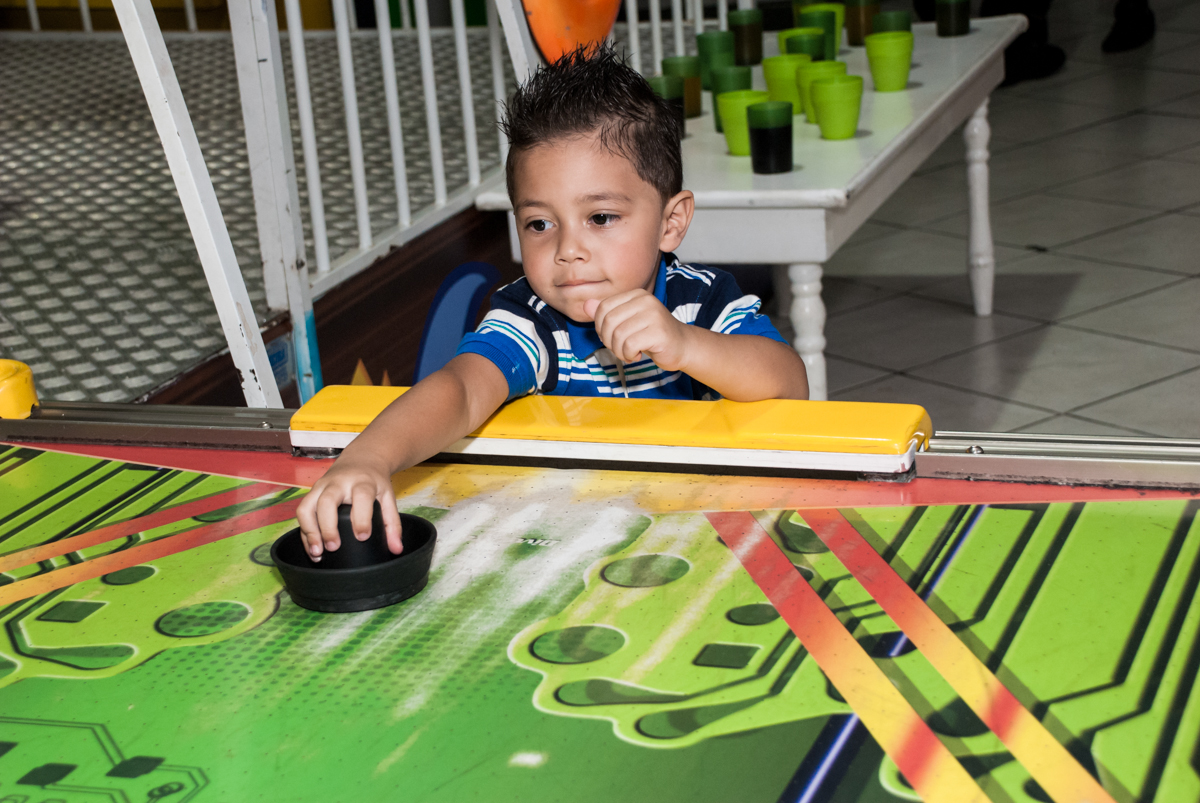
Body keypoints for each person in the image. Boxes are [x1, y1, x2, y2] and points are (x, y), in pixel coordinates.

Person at [296, 44, 809, 559]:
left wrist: (686, 345)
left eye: (601, 218)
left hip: (699, 527)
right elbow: (460, 389)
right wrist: (366, 459)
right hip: (569, 534)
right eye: (539, 224)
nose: (568, 251)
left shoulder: (702, 301)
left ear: (670, 222)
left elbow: (789, 385)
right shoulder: (530, 318)